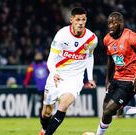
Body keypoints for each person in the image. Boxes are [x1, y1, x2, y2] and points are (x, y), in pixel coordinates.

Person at [96, 12, 136, 135]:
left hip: (131, 80)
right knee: (108, 110)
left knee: (108, 111)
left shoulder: (131, 36)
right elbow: (110, 59)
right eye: (109, 23)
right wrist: (108, 78)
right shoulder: (107, 39)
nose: (111, 25)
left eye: (114, 23)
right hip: (116, 78)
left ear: (121, 23)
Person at [39, 7, 98, 135]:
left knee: (64, 105)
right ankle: (44, 129)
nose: (81, 22)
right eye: (78, 19)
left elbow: (89, 56)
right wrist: (54, 73)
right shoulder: (61, 35)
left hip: (75, 79)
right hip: (57, 75)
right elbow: (50, 59)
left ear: (86, 20)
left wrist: (90, 77)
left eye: (83, 19)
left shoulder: (92, 38)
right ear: (71, 20)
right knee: (46, 112)